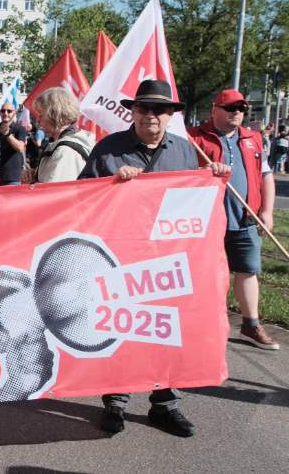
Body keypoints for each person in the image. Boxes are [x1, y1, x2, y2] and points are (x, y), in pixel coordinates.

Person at [79, 79, 230, 438]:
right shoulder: (108, 149)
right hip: (123, 258)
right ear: (132, 112)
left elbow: (195, 199)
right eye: (145, 108)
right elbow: (82, 197)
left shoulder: (185, 150)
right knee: (127, 327)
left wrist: (215, 177)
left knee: (169, 330)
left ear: (170, 115)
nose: (152, 115)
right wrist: (111, 183)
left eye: (160, 110)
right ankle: (116, 402)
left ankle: (165, 404)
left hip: (172, 260)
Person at [188, 89, 279, 350]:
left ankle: (250, 324)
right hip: (207, 220)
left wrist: (267, 211)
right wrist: (201, 172)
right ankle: (203, 324)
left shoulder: (254, 138)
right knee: (207, 274)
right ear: (214, 109)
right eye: (230, 108)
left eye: (241, 109)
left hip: (246, 218)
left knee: (248, 270)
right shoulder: (194, 138)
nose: (236, 113)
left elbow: (266, 175)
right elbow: (181, 173)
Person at [33, 87, 96, 183]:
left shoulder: (66, 151)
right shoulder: (62, 145)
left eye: (41, 115)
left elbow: (53, 193)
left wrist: (33, 184)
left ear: (55, 114)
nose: (38, 120)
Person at [0, 103, 27, 185]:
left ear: (14, 113)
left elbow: (20, 147)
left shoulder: (19, 129)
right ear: (0, 113)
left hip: (12, 177)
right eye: (3, 111)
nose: (5, 113)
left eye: (9, 111)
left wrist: (7, 135)